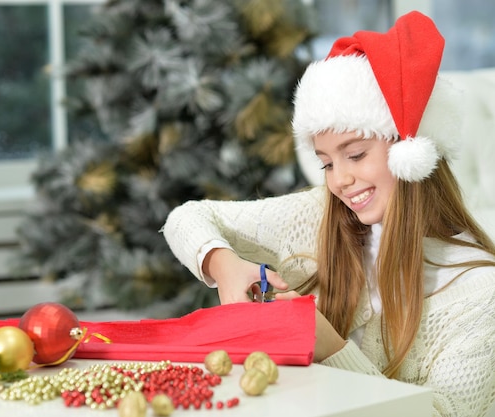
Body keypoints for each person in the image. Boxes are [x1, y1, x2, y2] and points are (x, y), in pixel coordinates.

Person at [162, 10, 495, 417]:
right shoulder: (324, 215)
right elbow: (187, 217)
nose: (340, 180)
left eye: (355, 154)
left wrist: (331, 347)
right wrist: (223, 264)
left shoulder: (480, 294)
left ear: (413, 151)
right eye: (327, 163)